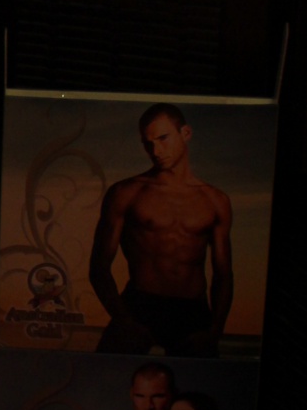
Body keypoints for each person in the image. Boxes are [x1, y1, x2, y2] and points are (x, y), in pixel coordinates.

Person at [90, 103, 234, 356]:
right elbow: (99, 267)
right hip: (139, 305)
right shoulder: (126, 193)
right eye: (148, 144)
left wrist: (215, 331)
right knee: (103, 374)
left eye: (163, 139)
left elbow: (223, 274)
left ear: (185, 133)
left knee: (200, 379)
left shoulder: (216, 201)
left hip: (193, 312)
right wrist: (124, 320)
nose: (156, 151)